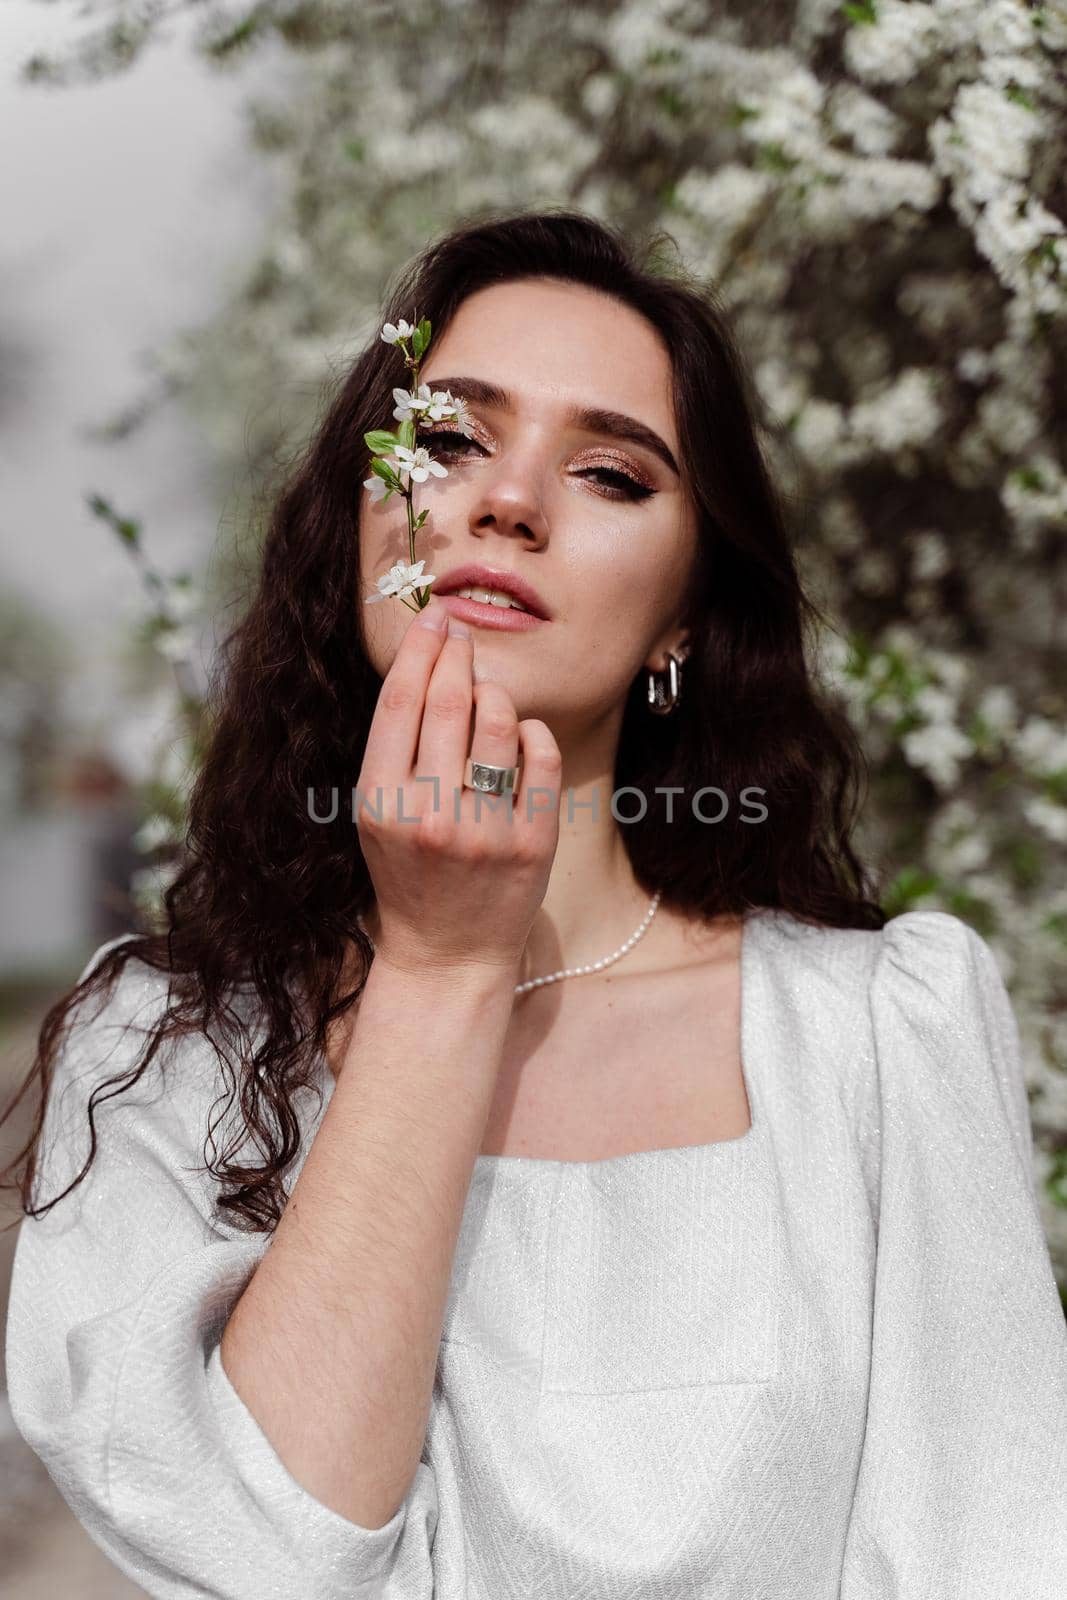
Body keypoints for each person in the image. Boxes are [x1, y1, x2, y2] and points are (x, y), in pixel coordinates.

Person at [3, 208, 1066, 1600]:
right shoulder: (164, 1056)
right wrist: (446, 970)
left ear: (686, 617)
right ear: (362, 526)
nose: (508, 502)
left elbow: (996, 1553)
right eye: (449, 440)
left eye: (613, 472)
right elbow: (267, 1555)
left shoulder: (874, 1034)